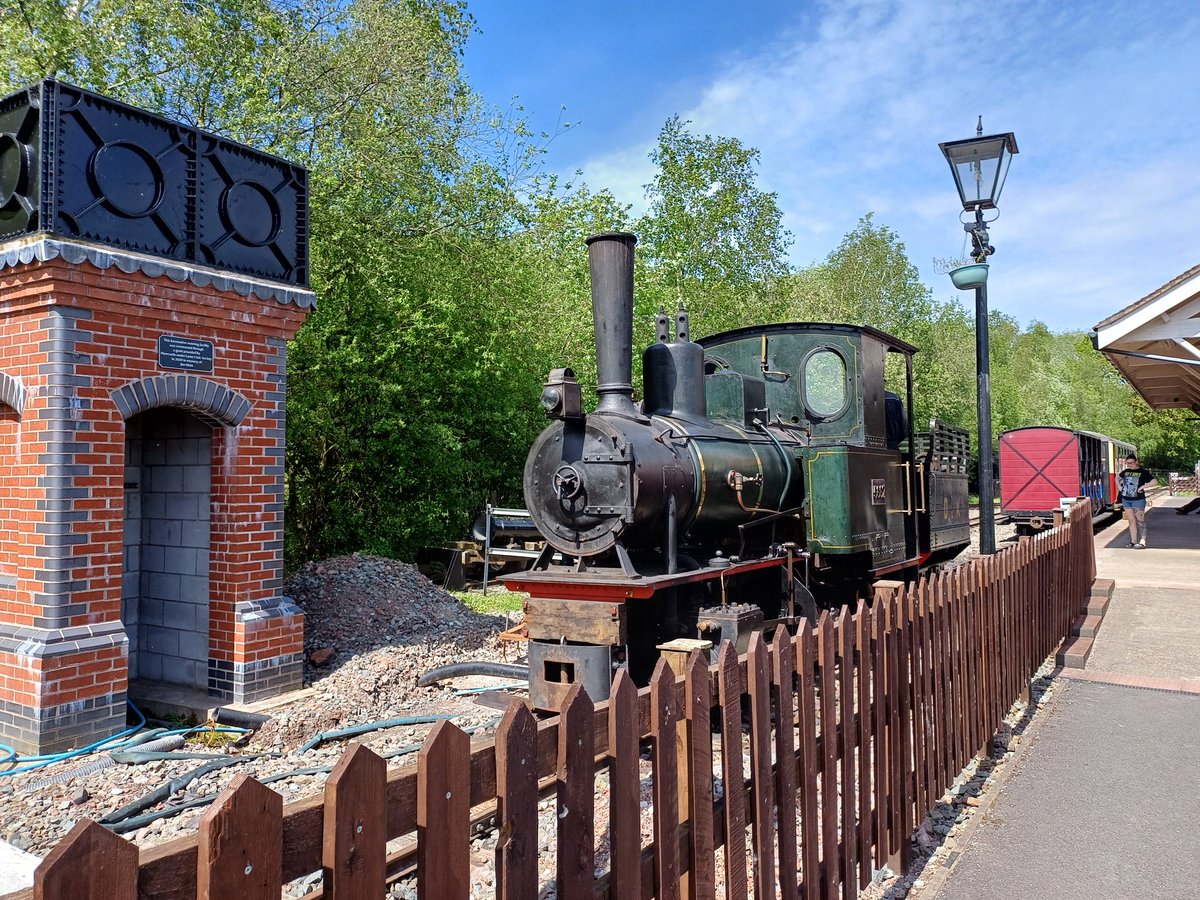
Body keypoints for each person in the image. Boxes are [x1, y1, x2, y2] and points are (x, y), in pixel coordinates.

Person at [1116, 454, 1154, 547]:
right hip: (1126, 499)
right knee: (1131, 520)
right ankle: (1133, 541)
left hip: (1138, 499)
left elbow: (1154, 481)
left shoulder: (1143, 472)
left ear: (1136, 461)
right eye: (1128, 463)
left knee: (1140, 520)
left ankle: (1142, 541)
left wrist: (1143, 486)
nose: (1130, 465)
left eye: (1132, 463)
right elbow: (1117, 478)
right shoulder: (1125, 472)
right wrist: (1119, 486)